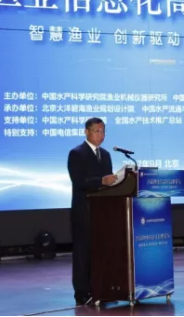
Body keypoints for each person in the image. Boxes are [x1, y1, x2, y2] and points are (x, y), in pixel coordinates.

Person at [67, 117, 118, 305]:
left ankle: (101, 289)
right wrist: (101, 181)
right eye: (97, 131)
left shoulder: (106, 155)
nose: (101, 135)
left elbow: (108, 184)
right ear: (86, 132)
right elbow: (79, 181)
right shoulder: (76, 153)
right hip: (84, 211)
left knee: (102, 252)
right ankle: (82, 292)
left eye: (103, 131)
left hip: (102, 212)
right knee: (83, 253)